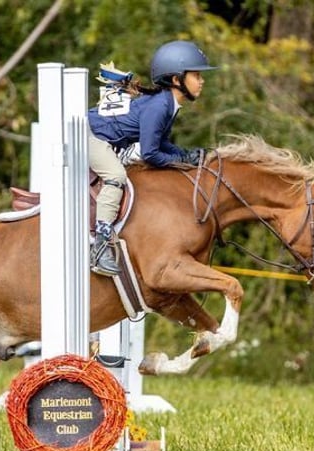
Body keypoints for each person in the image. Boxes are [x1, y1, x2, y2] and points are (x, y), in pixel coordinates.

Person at [87, 40, 217, 276]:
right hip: (90, 135)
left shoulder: (168, 104)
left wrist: (186, 155)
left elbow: (161, 144)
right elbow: (150, 153)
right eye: (196, 75)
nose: (202, 81)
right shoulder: (159, 107)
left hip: (102, 137)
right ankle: (100, 247)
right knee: (116, 176)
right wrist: (183, 160)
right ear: (177, 80)